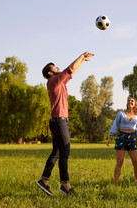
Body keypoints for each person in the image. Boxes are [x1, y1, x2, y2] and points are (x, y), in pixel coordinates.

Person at [36, 51, 94, 196]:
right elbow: (70, 68)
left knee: (56, 153)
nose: (58, 68)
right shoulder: (53, 81)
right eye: (55, 67)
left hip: (58, 121)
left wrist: (83, 60)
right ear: (50, 73)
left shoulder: (59, 82)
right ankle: (65, 185)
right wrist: (81, 55)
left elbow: (73, 71)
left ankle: (44, 181)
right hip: (59, 121)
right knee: (65, 153)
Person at [106, 97, 137, 186]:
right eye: (129, 101)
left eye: (132, 101)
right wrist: (109, 137)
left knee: (136, 163)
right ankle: (116, 184)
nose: (130, 102)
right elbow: (115, 125)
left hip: (132, 138)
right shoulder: (121, 114)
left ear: (135, 104)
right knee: (119, 162)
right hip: (122, 137)